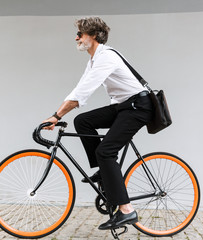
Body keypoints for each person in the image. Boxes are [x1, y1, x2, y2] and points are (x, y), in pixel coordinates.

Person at [44, 17, 153, 230]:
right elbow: (79, 88)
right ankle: (104, 172)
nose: (76, 37)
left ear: (93, 35)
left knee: (105, 152)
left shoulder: (106, 57)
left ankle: (126, 211)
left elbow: (83, 94)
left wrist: (56, 116)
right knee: (82, 120)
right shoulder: (94, 59)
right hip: (124, 106)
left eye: (80, 34)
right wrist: (58, 113)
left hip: (138, 107)